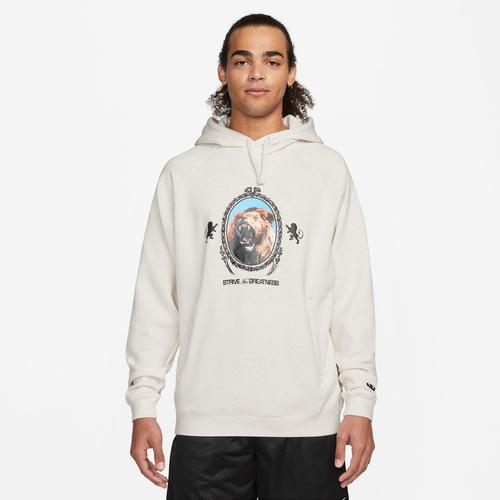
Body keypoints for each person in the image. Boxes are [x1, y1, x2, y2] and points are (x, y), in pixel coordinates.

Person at [125, 12, 378, 500]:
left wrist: (360, 401)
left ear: (291, 72)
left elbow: (351, 295)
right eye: (243, 60)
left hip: (308, 419)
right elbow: (157, 297)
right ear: (223, 72)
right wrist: (143, 403)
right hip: (207, 419)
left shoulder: (327, 170)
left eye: (272, 60)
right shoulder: (183, 174)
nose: (257, 73)